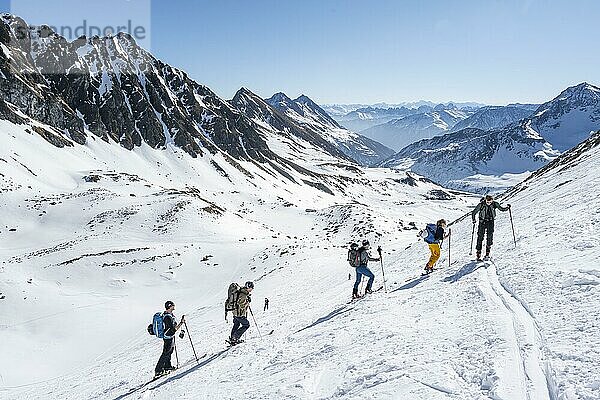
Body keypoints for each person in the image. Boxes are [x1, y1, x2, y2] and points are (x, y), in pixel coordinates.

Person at [471, 194, 511, 260]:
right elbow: (474, 212)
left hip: (490, 221)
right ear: (485, 200)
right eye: (487, 202)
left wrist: (507, 208)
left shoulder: (495, 204)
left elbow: (501, 209)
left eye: (490, 202)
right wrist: (473, 219)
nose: (489, 203)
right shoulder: (481, 204)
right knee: (480, 236)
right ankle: (478, 254)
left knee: (490, 236)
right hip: (482, 222)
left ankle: (487, 254)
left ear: (492, 200)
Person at [155, 301, 185, 378]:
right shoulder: (167, 317)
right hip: (168, 337)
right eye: (172, 305)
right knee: (165, 353)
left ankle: (167, 366)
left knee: (169, 351)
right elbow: (172, 329)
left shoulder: (168, 315)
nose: (174, 306)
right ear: (170, 306)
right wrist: (181, 323)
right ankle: (158, 371)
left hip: (169, 336)